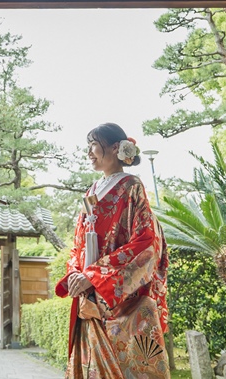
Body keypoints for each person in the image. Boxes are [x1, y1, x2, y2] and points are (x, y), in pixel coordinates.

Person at [55, 123, 169, 379]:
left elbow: (146, 242)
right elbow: (78, 244)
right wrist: (75, 273)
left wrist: (94, 276)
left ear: (116, 147)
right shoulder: (91, 191)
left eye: (94, 145)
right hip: (89, 295)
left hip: (116, 299)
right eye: (88, 146)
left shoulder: (131, 186)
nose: (89, 152)